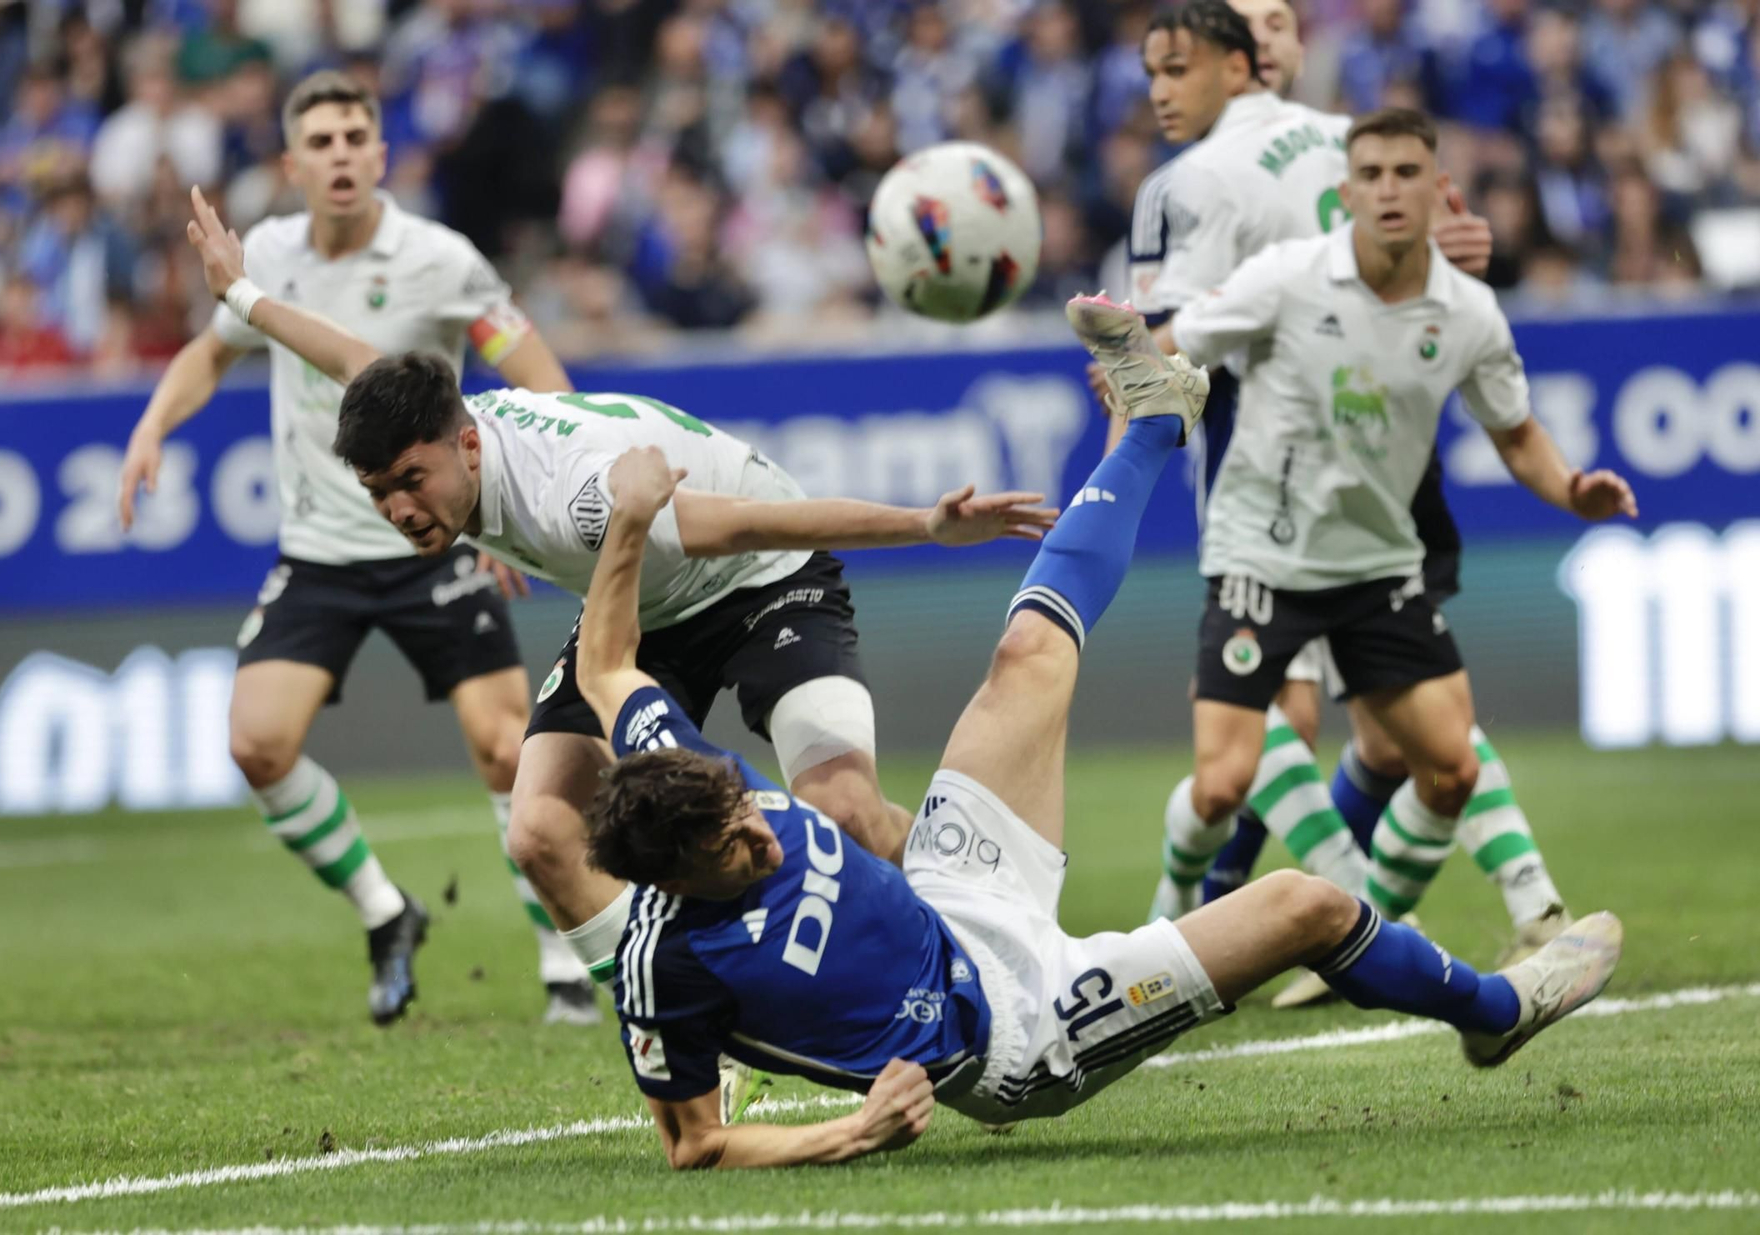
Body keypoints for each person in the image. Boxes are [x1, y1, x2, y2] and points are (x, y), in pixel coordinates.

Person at [576, 294, 1622, 1169]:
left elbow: (607, 665)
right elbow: (695, 1145)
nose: (760, 832)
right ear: (671, 877)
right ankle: (1495, 1009)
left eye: (741, 813)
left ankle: (1155, 420)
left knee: (1024, 656)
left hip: (955, 894)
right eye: (732, 849)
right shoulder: (662, 963)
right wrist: (850, 1128)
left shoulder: (688, 775)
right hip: (1016, 1033)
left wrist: (627, 518)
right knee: (1303, 902)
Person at [179, 182, 1058, 1047]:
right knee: (540, 832)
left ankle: (992, 924)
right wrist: (242, 293)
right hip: (648, 597)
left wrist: (925, 526)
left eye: (413, 482)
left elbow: (751, 523)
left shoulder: (579, 496)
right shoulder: (432, 418)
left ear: (468, 445)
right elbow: (348, 357)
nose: (401, 508)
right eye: (381, 492)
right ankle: (686, 1036)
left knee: (847, 815)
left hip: (764, 581)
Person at [1105, 106, 1639, 1002]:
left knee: (1450, 766)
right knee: (1222, 783)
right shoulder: (1288, 276)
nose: (1390, 190)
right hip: (1261, 559)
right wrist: (1128, 360)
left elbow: (1517, 437)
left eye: (1407, 173)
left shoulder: (1468, 313)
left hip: (1378, 566)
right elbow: (1175, 345)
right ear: (1345, 191)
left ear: (1439, 188)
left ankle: (1369, 933)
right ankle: (1166, 918)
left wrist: (1571, 487)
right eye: (1373, 175)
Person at [119, 71, 584, 1028]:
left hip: (437, 545)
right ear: (292, 165)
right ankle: (387, 912)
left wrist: (515, 495)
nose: (339, 154)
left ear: (381, 155)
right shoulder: (270, 256)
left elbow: (536, 375)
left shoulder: (442, 260)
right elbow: (211, 350)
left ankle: (565, 964)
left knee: (506, 747)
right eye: (320, 141)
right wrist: (154, 422)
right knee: (256, 742)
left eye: (355, 137)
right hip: (321, 551)